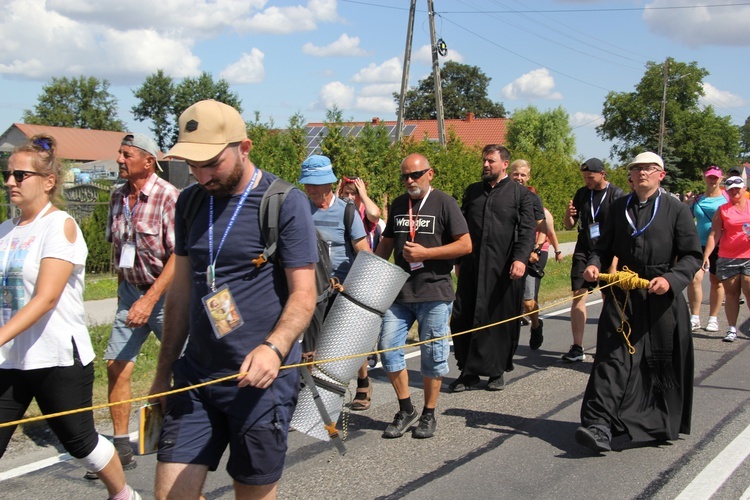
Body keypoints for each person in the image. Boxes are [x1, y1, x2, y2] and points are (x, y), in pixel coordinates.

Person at [149, 100, 318, 499]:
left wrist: (273, 349)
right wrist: (163, 370)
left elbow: (304, 295)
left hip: (261, 383)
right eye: (192, 164)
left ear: (244, 147)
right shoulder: (189, 201)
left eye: (211, 163)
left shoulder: (284, 202)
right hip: (196, 377)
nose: (201, 174)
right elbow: (181, 292)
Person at [0, 135, 141, 499]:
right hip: (10, 358)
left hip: (56, 356)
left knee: (80, 443)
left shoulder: (60, 226)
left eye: (20, 175)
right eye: (7, 175)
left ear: (48, 182)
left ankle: (123, 494)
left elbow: (46, 299)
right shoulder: (5, 231)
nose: (10, 182)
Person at [576, 151, 701, 453]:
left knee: (658, 362)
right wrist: (594, 265)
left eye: (649, 168)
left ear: (661, 174)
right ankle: (599, 424)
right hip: (624, 294)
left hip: (661, 295)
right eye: (636, 169)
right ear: (629, 176)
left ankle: (657, 422)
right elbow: (601, 247)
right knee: (611, 359)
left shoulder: (676, 209)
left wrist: (671, 279)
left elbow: (692, 255)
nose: (642, 172)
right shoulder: (619, 208)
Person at [375, 153, 471, 439]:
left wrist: (427, 254)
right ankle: (406, 409)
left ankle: (429, 413)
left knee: (433, 355)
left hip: (435, 291)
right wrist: (369, 272)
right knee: (388, 348)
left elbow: (465, 245)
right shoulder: (398, 204)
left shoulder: (445, 203)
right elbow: (387, 243)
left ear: (430, 174)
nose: (409, 181)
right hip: (401, 291)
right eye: (404, 176)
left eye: (415, 175)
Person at [102, 133, 178, 471]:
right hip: (131, 293)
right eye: (119, 153)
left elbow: (180, 256)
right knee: (116, 365)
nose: (119, 159)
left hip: (165, 296)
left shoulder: (168, 197)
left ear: (148, 161)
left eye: (127, 154)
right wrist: (125, 293)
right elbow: (118, 249)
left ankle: (183, 433)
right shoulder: (117, 196)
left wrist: (150, 300)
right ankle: (121, 447)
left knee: (183, 366)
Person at [450, 145, 536, 392]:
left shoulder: (520, 194)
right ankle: (467, 371)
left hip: (504, 269)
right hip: (472, 266)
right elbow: (461, 228)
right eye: (484, 161)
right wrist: (457, 261)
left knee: (499, 320)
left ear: (505, 164)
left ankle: (496, 370)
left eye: (491, 161)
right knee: (462, 317)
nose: (485, 165)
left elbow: (528, 230)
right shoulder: (473, 191)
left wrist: (520, 259)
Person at [298, 156, 372, 410]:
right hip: (312, 288)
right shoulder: (301, 211)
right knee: (311, 346)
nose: (311, 190)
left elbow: (364, 251)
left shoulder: (347, 211)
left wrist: (363, 291)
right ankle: (314, 402)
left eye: (316, 185)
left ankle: (363, 381)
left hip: (344, 286)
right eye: (307, 185)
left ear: (329, 184)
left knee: (348, 341)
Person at [563, 158, 624, 362]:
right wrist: (568, 215)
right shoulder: (582, 193)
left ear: (602, 174)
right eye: (584, 177)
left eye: (590, 177)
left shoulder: (616, 195)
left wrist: (614, 263)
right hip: (584, 248)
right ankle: (577, 346)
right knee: (578, 294)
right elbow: (570, 225)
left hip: (608, 251)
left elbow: (621, 231)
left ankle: (609, 344)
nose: (587, 180)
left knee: (609, 299)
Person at [702, 175, 750, 342]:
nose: (735, 192)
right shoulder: (723, 210)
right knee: (731, 293)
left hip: (749, 255)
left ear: (744, 189)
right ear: (727, 192)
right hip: (728, 256)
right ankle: (731, 329)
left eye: (738, 188)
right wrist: (706, 255)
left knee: (749, 288)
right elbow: (714, 234)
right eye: (731, 190)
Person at [509, 159, 549, 350]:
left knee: (527, 301)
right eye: (516, 174)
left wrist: (536, 249)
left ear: (528, 177)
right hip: (505, 255)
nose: (519, 178)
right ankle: (507, 342)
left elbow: (543, 227)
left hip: (526, 255)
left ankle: (535, 324)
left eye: (523, 175)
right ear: (510, 173)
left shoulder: (533, 198)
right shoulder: (503, 194)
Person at [683, 166, 727, 333]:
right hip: (698, 244)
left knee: (717, 281)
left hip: (720, 245)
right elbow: (687, 217)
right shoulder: (698, 198)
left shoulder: (726, 198)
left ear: (721, 179)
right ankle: (694, 317)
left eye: (715, 177)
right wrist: (687, 204)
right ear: (704, 178)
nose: (712, 180)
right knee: (694, 278)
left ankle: (713, 318)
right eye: (710, 177)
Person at [338, 175, 385, 252]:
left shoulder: (365, 212)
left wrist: (363, 194)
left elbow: (374, 214)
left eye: (353, 193)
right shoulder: (340, 210)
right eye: (346, 193)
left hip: (362, 257)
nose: (349, 197)